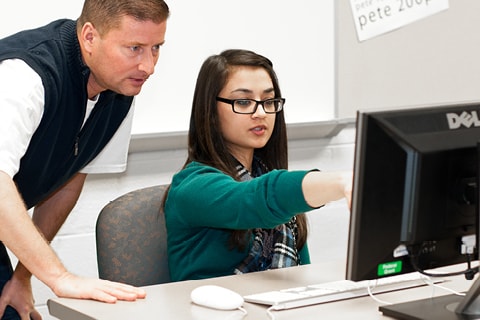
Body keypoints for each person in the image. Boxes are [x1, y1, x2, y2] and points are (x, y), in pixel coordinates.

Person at [0, 0, 169, 319]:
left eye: (156, 47)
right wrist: (59, 278)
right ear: (90, 37)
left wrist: (23, 275)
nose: (148, 66)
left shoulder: (120, 92)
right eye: (134, 48)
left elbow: (67, 182)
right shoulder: (25, 76)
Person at [163, 49, 352, 282]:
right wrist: (341, 182)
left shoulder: (270, 181)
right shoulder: (192, 187)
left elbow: (299, 274)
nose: (261, 113)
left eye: (268, 101)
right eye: (243, 102)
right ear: (210, 111)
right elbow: (255, 199)